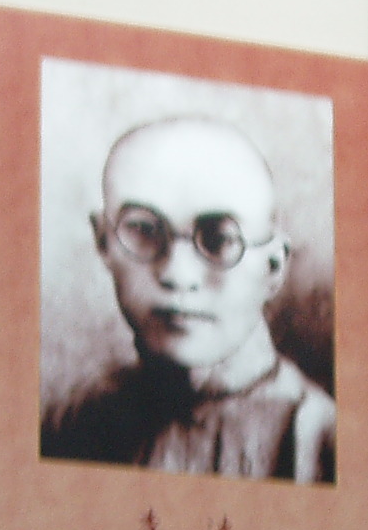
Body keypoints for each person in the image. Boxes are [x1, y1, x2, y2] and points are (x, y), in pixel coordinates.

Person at [39, 117, 336, 483]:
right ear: (104, 242)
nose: (178, 275)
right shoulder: (73, 423)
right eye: (144, 230)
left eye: (219, 239)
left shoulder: (320, 442)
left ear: (273, 266)